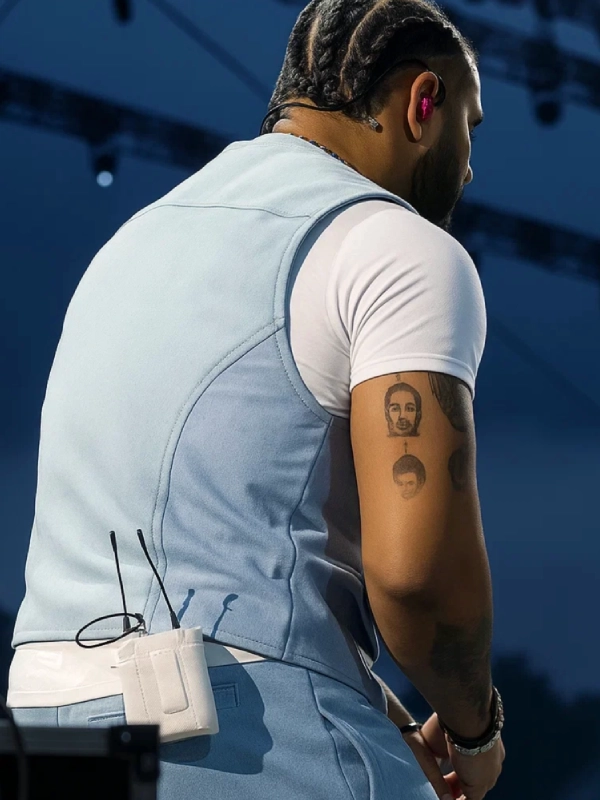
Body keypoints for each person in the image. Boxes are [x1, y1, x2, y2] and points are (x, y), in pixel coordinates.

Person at [7, 1, 505, 799]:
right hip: (237, 736)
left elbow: (210, 554)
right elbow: (420, 578)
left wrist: (376, 713)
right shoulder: (399, 248)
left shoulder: (128, 248)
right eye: (470, 128)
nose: (470, 167)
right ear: (424, 104)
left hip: (44, 734)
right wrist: (475, 730)